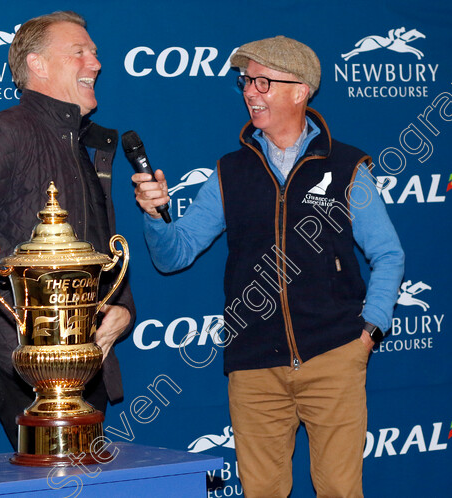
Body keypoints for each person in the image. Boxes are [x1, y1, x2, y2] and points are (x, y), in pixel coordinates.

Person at [133, 35, 404, 497]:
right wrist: (155, 214)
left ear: (300, 91)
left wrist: (369, 331)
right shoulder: (229, 173)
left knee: (340, 489)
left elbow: (388, 254)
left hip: (335, 357)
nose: (250, 92)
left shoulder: (345, 167)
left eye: (263, 81)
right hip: (254, 367)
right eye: (245, 81)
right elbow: (174, 254)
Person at [0, 11, 134, 450]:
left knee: (80, 481)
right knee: (51, 480)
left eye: (95, 53)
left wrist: (121, 308)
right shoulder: (4, 134)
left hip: (85, 356)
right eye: (80, 52)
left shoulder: (80, 145)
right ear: (37, 64)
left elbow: (99, 247)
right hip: (22, 362)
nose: (95, 62)